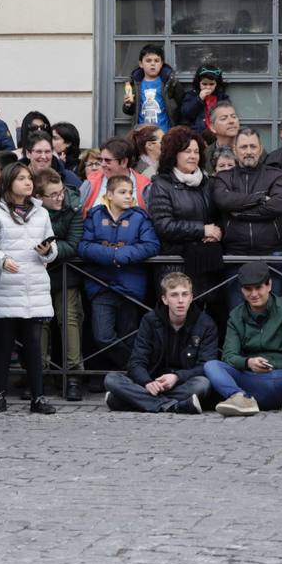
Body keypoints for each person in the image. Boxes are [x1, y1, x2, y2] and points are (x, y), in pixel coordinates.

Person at [0, 163, 58, 415]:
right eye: (21, 178)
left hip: (33, 284)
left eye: (29, 178)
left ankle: (38, 397)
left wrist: (48, 251)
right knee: (3, 342)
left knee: (34, 344)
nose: (27, 182)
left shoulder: (41, 212)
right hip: (7, 284)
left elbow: (52, 246)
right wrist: (2, 261)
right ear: (9, 181)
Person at [206, 261, 282, 418]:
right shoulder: (236, 316)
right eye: (248, 289)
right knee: (211, 365)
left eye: (258, 287)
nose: (254, 294)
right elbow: (228, 356)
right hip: (255, 383)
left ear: (269, 285)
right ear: (241, 290)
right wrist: (248, 363)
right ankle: (239, 398)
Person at [78, 175, 160, 373]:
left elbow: (151, 245)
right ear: (109, 194)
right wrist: (110, 255)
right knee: (103, 336)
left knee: (129, 336)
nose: (128, 197)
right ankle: (138, 369)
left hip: (130, 286)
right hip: (101, 284)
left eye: (130, 192)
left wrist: (121, 255)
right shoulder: (95, 215)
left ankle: (133, 376)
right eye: (123, 192)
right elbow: (83, 246)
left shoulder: (140, 217)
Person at [103, 272, 214, 414]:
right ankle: (174, 406)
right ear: (165, 299)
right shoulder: (150, 320)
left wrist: (177, 377)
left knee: (202, 385)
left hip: (182, 383)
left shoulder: (205, 324)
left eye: (185, 294)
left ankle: (130, 401)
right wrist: (147, 382)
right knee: (111, 379)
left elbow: (206, 366)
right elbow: (136, 361)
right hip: (152, 383)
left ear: (191, 297)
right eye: (174, 295)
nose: (180, 300)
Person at [211, 128, 282, 308]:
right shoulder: (224, 177)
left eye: (253, 146)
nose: (248, 151)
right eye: (243, 146)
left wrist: (238, 211)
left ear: (260, 149)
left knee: (274, 313)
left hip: (271, 254)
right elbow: (224, 201)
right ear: (235, 150)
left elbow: (279, 205)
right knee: (237, 313)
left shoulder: (275, 175)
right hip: (235, 256)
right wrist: (261, 199)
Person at [146, 127, 223, 300]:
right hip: (175, 266)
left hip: (207, 262)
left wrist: (217, 232)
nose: (193, 156)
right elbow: (163, 225)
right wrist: (202, 230)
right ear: (174, 154)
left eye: (196, 151)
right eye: (187, 151)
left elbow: (218, 217)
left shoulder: (207, 183)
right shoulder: (161, 184)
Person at [34, 167, 86, 401]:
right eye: (53, 195)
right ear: (38, 197)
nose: (59, 198)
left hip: (65, 272)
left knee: (69, 318)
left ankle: (73, 376)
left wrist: (51, 250)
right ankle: (39, 374)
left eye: (61, 192)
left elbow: (74, 242)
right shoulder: (31, 211)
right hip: (37, 273)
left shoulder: (72, 207)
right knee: (41, 322)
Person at [121, 43, 182, 132]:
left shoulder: (169, 82)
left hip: (165, 133)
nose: (153, 64)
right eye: (148, 61)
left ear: (161, 64)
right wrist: (128, 105)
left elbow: (182, 104)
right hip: (142, 134)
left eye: (156, 61)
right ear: (141, 64)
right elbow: (130, 111)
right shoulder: (135, 83)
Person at [78, 137, 148, 212]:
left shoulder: (145, 186)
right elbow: (77, 212)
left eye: (107, 160)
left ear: (124, 162)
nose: (102, 164)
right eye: (101, 160)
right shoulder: (91, 182)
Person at [177, 65, 227, 132]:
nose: (208, 87)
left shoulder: (221, 97)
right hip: (197, 134)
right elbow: (186, 113)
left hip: (216, 133)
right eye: (204, 84)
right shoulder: (191, 95)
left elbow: (226, 113)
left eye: (211, 84)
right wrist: (199, 99)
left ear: (217, 84)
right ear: (198, 83)